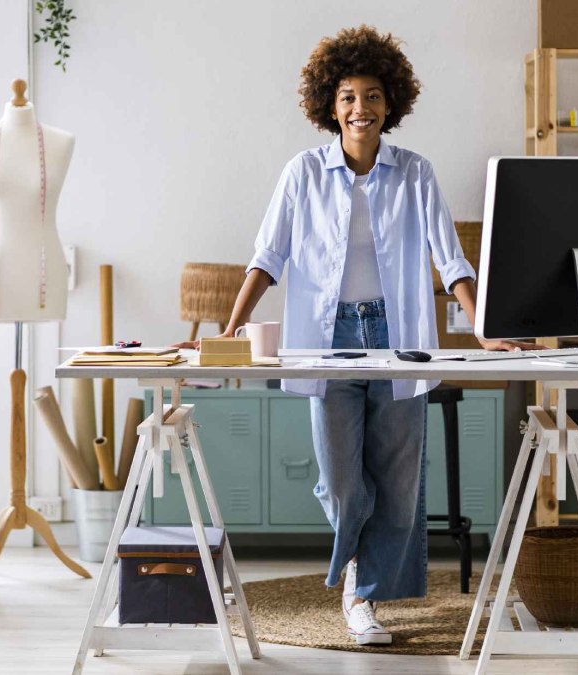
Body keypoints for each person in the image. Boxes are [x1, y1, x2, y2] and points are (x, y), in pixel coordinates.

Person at [175, 25, 538, 646]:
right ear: (329, 105)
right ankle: (355, 559)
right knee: (344, 482)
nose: (360, 108)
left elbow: (450, 261)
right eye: (347, 96)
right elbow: (268, 257)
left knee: (398, 481)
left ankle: (362, 594)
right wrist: (231, 328)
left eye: (372, 95)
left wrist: (484, 329)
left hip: (398, 338)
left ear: (390, 103)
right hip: (327, 339)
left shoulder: (415, 173)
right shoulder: (303, 173)